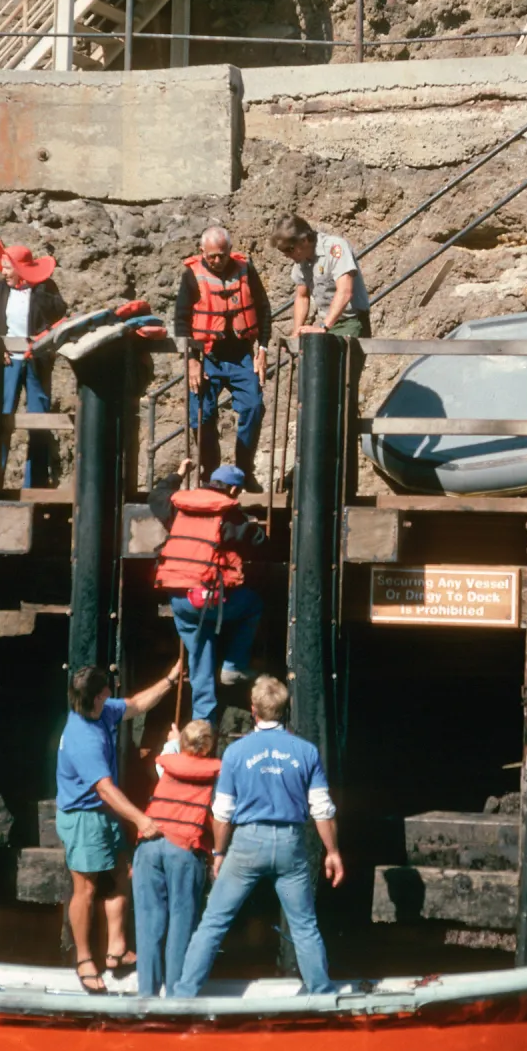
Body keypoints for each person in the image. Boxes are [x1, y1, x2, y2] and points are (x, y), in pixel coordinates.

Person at [173, 675, 344, 999]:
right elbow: (322, 808)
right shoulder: (306, 752)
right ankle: (322, 995)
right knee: (304, 925)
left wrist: (219, 854)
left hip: (249, 842)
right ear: (285, 709)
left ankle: (183, 996)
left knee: (213, 923)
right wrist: (332, 852)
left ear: (253, 711)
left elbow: (222, 813)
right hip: (291, 843)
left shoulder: (236, 753)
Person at [55, 660, 181, 994]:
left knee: (124, 876)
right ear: (98, 696)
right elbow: (105, 789)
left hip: (103, 814)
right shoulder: (83, 738)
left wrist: (170, 677)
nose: (112, 693)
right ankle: (84, 959)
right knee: (86, 888)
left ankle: (116, 949)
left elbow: (137, 705)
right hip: (83, 817)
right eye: (107, 690)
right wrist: (141, 819)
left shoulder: (102, 710)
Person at [151, 458, 265, 721]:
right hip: (208, 600)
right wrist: (254, 526)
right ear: (234, 491)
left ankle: (203, 725)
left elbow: (156, 496)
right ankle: (234, 665)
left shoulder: (177, 507)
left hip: (180, 599)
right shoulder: (231, 517)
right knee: (253, 604)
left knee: (200, 657)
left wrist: (178, 473)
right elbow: (258, 542)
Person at [174, 225, 271, 488]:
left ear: (230, 250)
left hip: (241, 356)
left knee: (253, 406)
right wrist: (191, 360)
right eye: (212, 256)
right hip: (207, 357)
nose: (217, 261)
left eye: (222, 255)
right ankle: (211, 473)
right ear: (202, 252)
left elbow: (263, 309)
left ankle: (244, 471)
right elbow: (181, 321)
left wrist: (262, 349)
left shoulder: (245, 270)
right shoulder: (191, 275)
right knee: (201, 415)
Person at [132, 718, 222, 997]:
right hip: (184, 850)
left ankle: (147, 994)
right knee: (181, 924)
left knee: (148, 923)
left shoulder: (167, 764)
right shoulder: (218, 775)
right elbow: (220, 814)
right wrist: (219, 852)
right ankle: (175, 996)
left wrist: (175, 739)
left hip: (149, 846)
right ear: (208, 749)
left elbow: (170, 752)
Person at [0, 235, 67, 487]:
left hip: (37, 361)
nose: (3, 272)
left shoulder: (45, 288)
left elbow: (59, 314)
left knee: (39, 419)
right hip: (8, 362)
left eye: (7, 267)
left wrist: (36, 287)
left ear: (19, 268)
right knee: (1, 416)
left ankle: (36, 483)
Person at [271, 213, 371, 339]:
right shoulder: (301, 260)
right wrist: (296, 332)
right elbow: (302, 297)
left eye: (289, 249)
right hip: (329, 324)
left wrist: (324, 327)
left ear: (304, 240)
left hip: (351, 321)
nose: (286, 255)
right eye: (282, 251)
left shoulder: (335, 248)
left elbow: (345, 291)